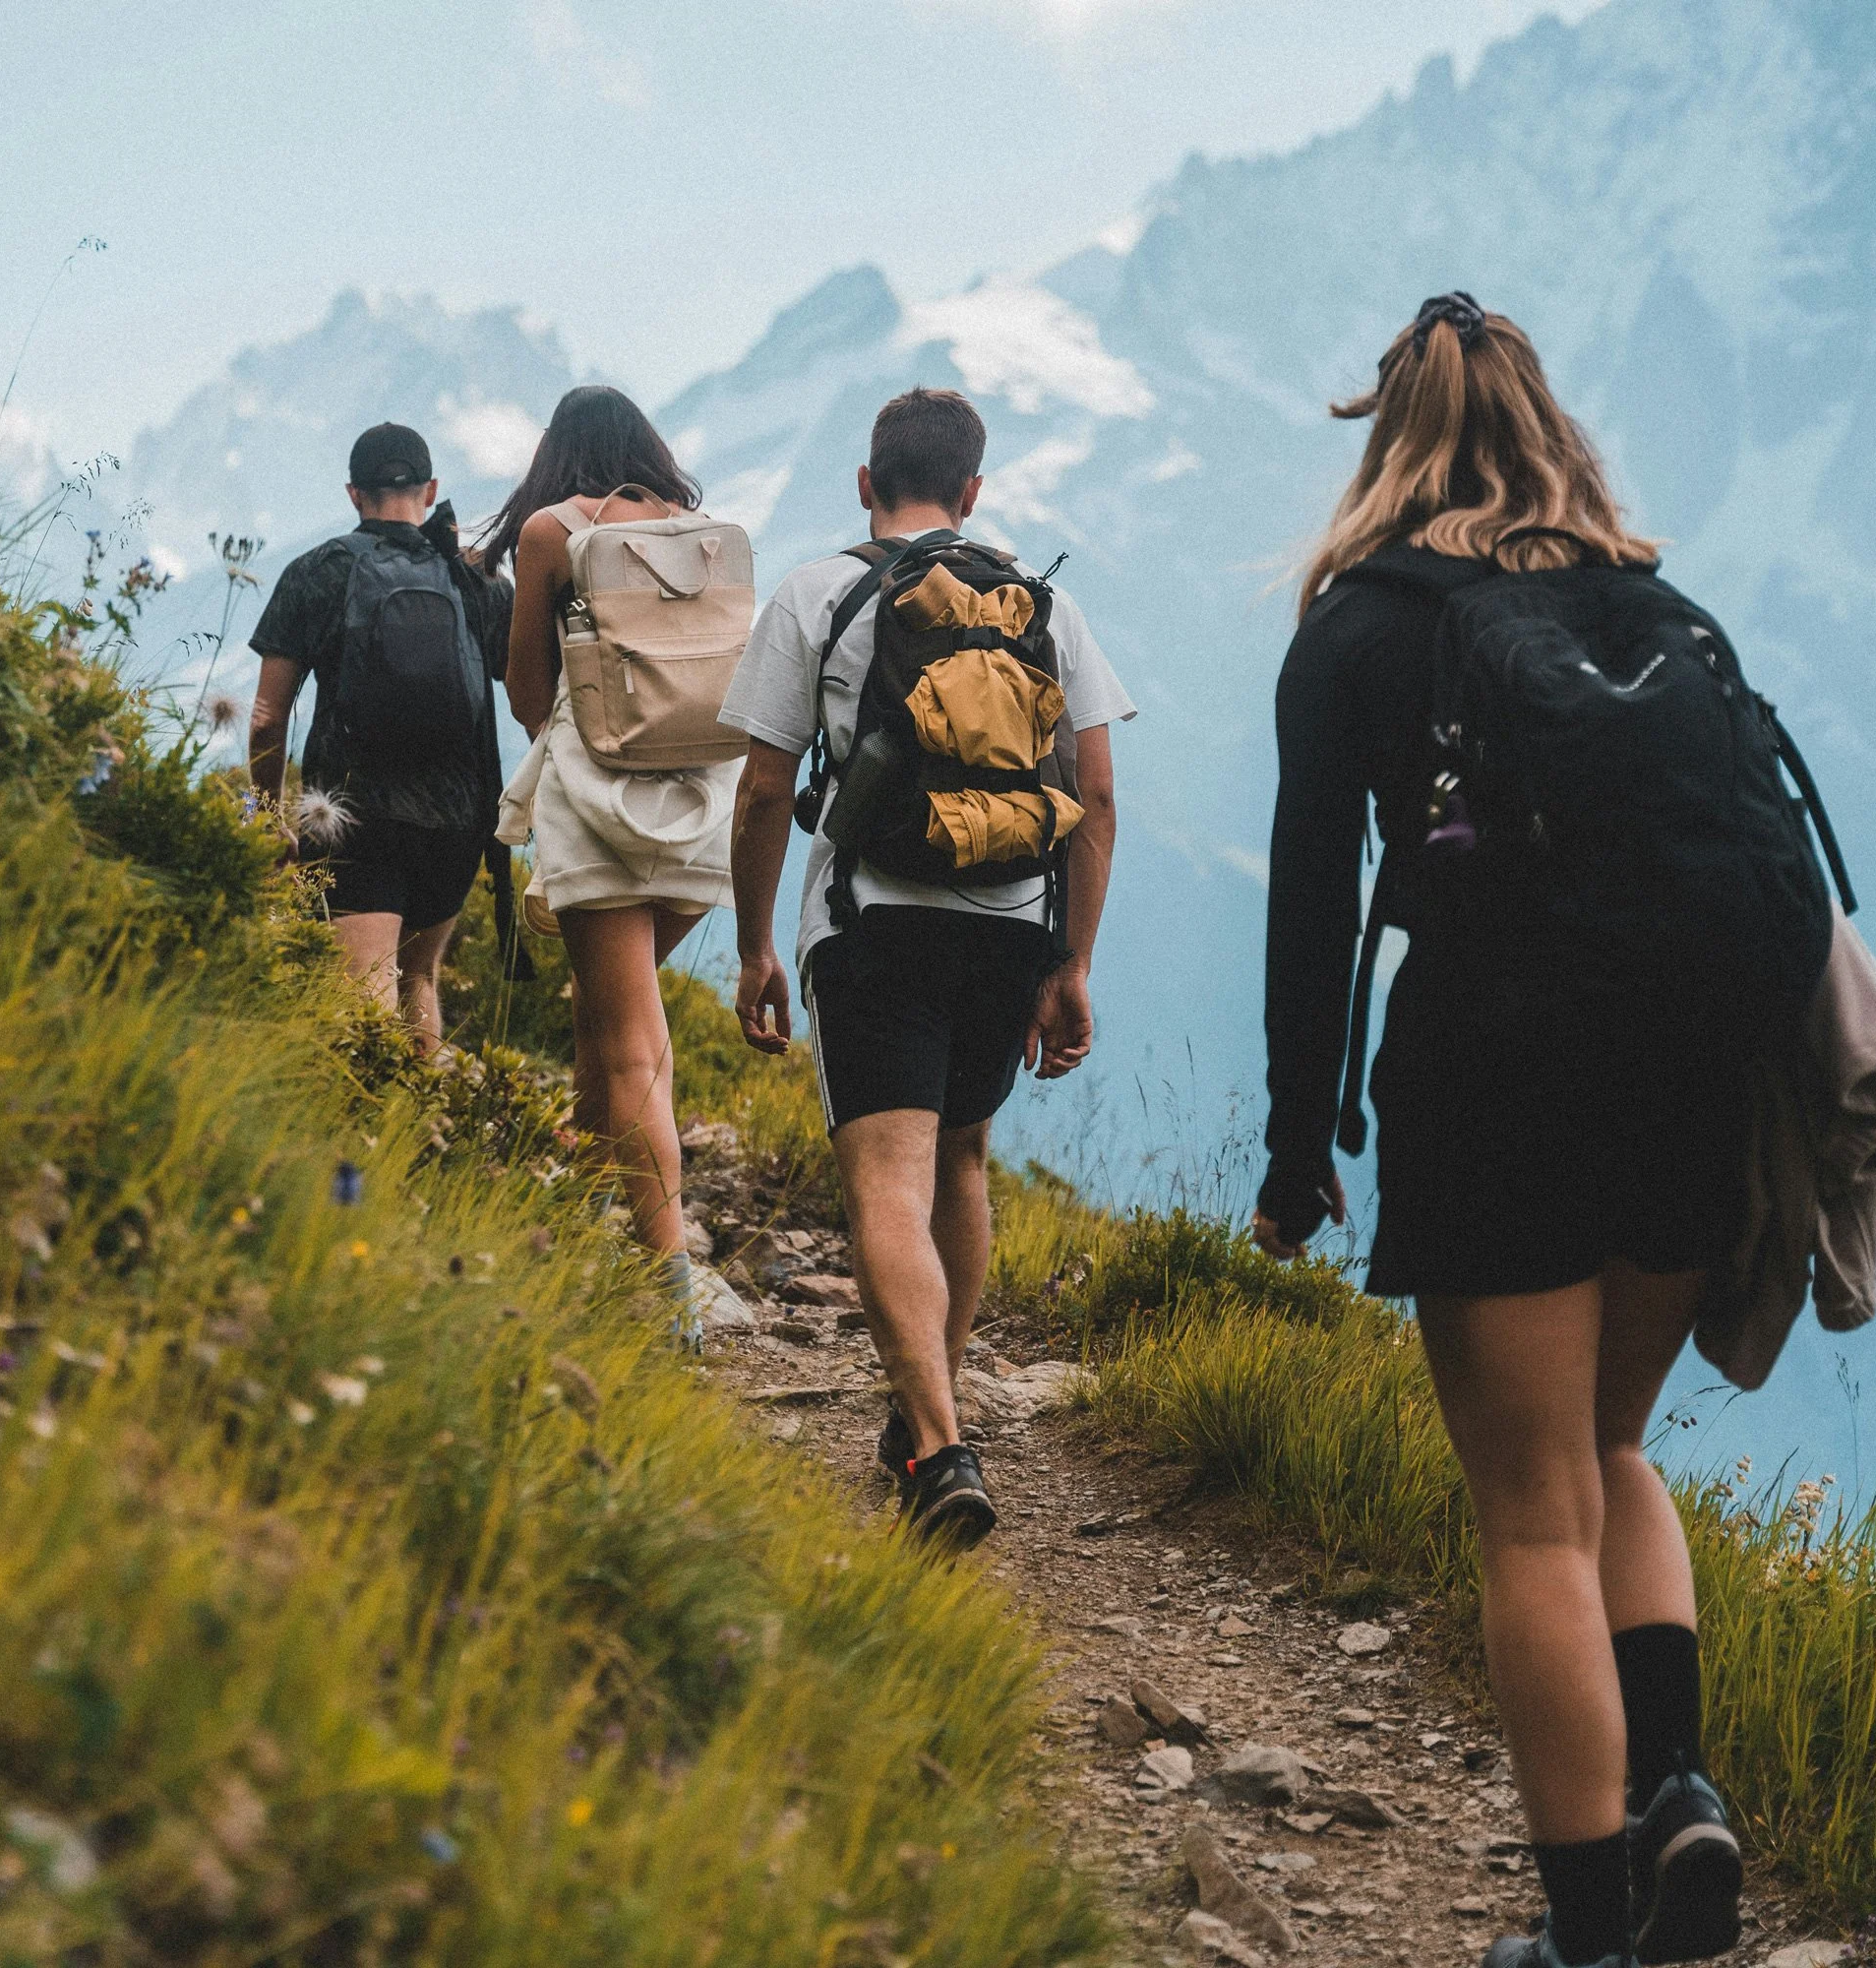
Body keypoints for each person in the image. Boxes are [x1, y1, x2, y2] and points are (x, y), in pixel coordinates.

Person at [1254, 298, 1756, 1968]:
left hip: (1496, 1072)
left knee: (1532, 1510)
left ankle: (1585, 1933)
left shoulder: (1359, 630)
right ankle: (1679, 1788)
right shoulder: (1647, 599)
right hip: (1697, 1068)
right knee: (1615, 1453)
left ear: (1385, 437)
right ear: (1549, 425)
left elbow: (1314, 905)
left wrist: (1295, 1140)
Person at [721, 387, 1133, 1545]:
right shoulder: (1045, 605)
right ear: (972, 492)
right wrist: (1072, 960)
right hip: (1008, 918)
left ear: (865, 483)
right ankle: (923, 1420)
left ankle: (939, 1438)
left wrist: (755, 942)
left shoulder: (818, 591)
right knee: (961, 1159)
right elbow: (1095, 795)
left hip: (876, 919)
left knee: (883, 1179)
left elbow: (762, 788)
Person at [484, 385, 737, 1335]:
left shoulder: (551, 531)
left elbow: (525, 686)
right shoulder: (700, 531)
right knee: (606, 1017)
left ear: (557, 451)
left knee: (628, 1041)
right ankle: (582, 1200)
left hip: (598, 804)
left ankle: (672, 1287)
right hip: (701, 804)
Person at [250, 422, 510, 1050]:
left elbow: (264, 716)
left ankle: (362, 1139)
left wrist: (265, 812)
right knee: (419, 978)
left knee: (361, 994)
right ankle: (421, 1137)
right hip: (458, 817)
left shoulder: (319, 572)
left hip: (351, 815)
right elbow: (530, 695)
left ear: (352, 494)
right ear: (431, 490)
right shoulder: (476, 584)